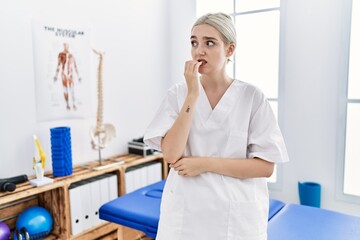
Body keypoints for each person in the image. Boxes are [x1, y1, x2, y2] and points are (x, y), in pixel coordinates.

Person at [144, 12, 289, 240]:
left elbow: (265, 167)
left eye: (209, 43)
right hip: (186, 216)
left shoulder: (252, 97)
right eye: (194, 42)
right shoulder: (178, 94)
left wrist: (205, 164)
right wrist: (193, 94)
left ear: (230, 50)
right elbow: (171, 154)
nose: (198, 51)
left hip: (235, 217)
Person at [53, 42, 81, 110]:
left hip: (70, 74)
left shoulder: (71, 55)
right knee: (65, 90)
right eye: (65, 45)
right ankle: (67, 104)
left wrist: (78, 76)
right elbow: (58, 65)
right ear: (64, 46)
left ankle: (73, 104)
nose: (66, 47)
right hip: (63, 74)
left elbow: (75, 66)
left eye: (67, 45)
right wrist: (56, 75)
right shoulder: (61, 54)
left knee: (72, 89)